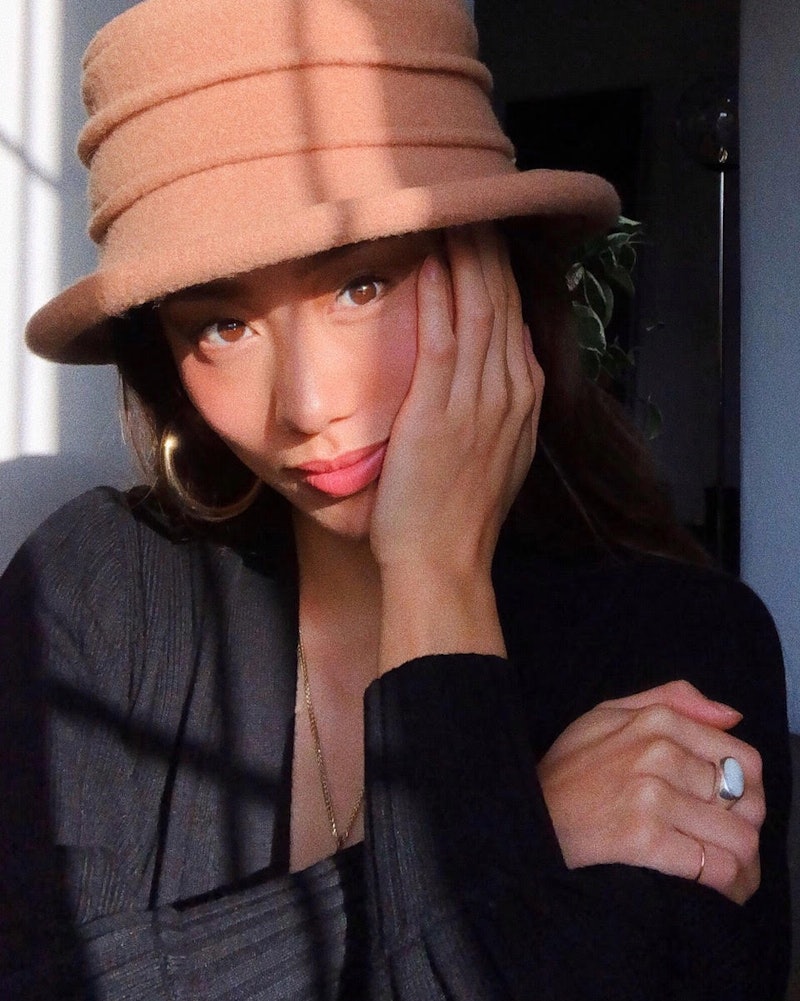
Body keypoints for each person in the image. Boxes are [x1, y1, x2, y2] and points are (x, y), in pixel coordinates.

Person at [0, 0, 790, 998]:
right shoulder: (91, 587)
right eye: (221, 327)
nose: (307, 405)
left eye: (361, 284)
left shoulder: (679, 643)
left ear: (495, 272)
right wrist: (517, 826)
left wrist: (434, 577)